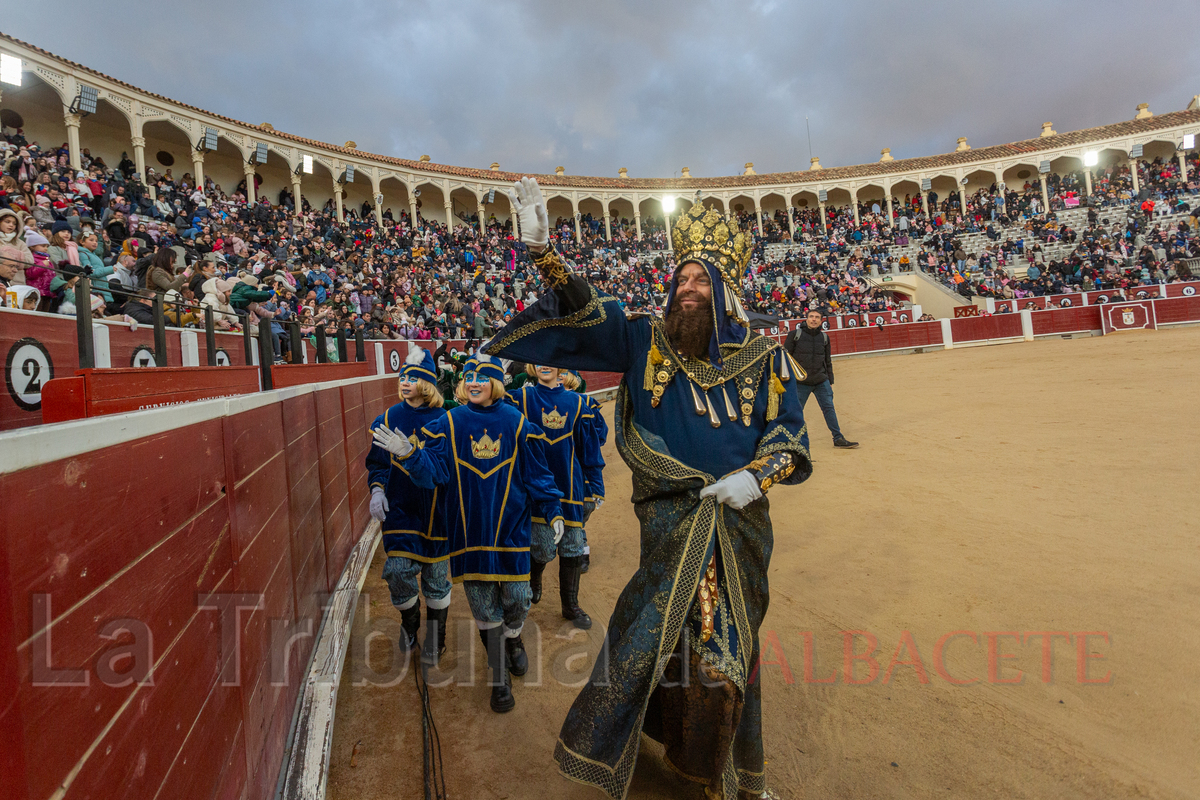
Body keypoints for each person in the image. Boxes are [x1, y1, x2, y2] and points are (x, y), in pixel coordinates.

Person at [487, 179, 812, 800]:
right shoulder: (644, 339)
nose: (687, 290)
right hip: (668, 521)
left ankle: (725, 773)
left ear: (725, 292)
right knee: (659, 634)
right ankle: (685, 758)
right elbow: (587, 316)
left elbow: (791, 437)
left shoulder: (767, 357)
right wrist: (545, 255)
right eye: (681, 280)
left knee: (725, 650)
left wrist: (755, 476)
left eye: (701, 282)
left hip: (738, 528)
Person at [372, 352, 564, 714]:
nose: (473, 382)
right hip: (468, 533)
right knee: (482, 607)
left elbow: (538, 474)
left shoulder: (517, 422)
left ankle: (514, 639)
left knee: (519, 597)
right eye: (469, 377)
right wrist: (411, 455)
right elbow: (435, 475)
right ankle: (498, 678)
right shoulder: (450, 421)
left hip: (510, 531)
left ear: (496, 383)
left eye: (482, 377)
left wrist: (553, 509)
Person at [365, 346, 452, 665]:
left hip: (437, 513)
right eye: (402, 376)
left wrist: (410, 454)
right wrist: (377, 489)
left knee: (437, 580)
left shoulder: (445, 421)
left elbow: (441, 472)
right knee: (398, 572)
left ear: (427, 383)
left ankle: (437, 638)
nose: (404, 382)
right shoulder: (387, 418)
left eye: (412, 378)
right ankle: (411, 624)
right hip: (400, 512)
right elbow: (377, 464)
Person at [509, 364, 604, 629]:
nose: (544, 365)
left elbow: (589, 448)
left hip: (570, 488)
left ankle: (570, 606)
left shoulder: (577, 402)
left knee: (573, 546)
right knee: (541, 547)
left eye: (549, 359)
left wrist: (595, 485)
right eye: (538, 360)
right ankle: (535, 578)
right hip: (536, 490)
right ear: (531, 365)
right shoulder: (521, 398)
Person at [782, 310, 859, 449]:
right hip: (800, 382)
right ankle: (790, 440)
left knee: (829, 408)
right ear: (806, 319)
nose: (814, 319)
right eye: (811, 317)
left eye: (817, 317)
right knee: (795, 411)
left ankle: (838, 438)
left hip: (820, 380)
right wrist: (787, 380)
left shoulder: (824, 337)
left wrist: (830, 381)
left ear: (821, 321)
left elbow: (827, 360)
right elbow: (786, 358)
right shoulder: (794, 335)